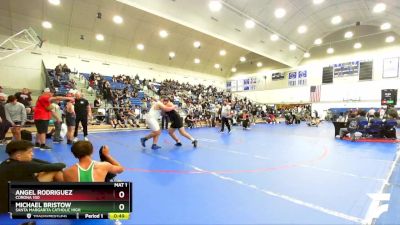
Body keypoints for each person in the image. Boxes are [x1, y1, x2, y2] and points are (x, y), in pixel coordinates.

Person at [0, 140, 65, 213]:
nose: (32, 154)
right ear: (18, 156)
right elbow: (60, 165)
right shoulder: (21, 165)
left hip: (11, 194)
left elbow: (46, 164)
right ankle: (69, 192)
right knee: (55, 171)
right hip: (14, 201)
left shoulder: (9, 161)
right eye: (29, 152)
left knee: (42, 171)